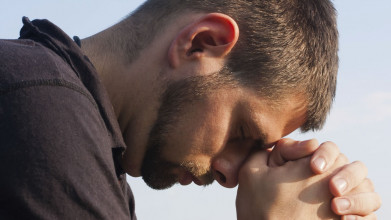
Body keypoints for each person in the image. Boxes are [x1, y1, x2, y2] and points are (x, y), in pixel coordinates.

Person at [0, 0, 381, 219]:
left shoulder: (81, 134)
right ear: (202, 43)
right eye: (243, 133)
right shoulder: (43, 109)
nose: (232, 174)